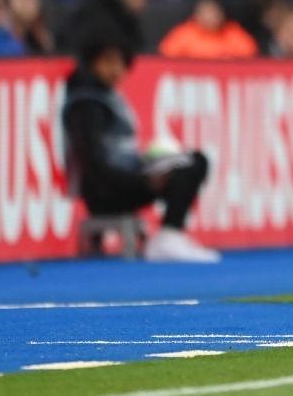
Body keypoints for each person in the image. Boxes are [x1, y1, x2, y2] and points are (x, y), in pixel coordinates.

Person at [61, 25, 220, 262]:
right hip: (106, 188)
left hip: (128, 176)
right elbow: (94, 163)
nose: (117, 70)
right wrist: (141, 181)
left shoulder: (108, 96)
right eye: (109, 61)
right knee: (188, 167)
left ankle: (171, 234)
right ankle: (168, 236)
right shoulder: (86, 104)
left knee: (195, 160)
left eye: (121, 63)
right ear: (93, 61)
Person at [158, 0, 258, 59]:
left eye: (214, 12)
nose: (211, 16)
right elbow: (166, 54)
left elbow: (250, 52)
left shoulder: (232, 31)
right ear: (196, 14)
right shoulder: (184, 32)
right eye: (206, 12)